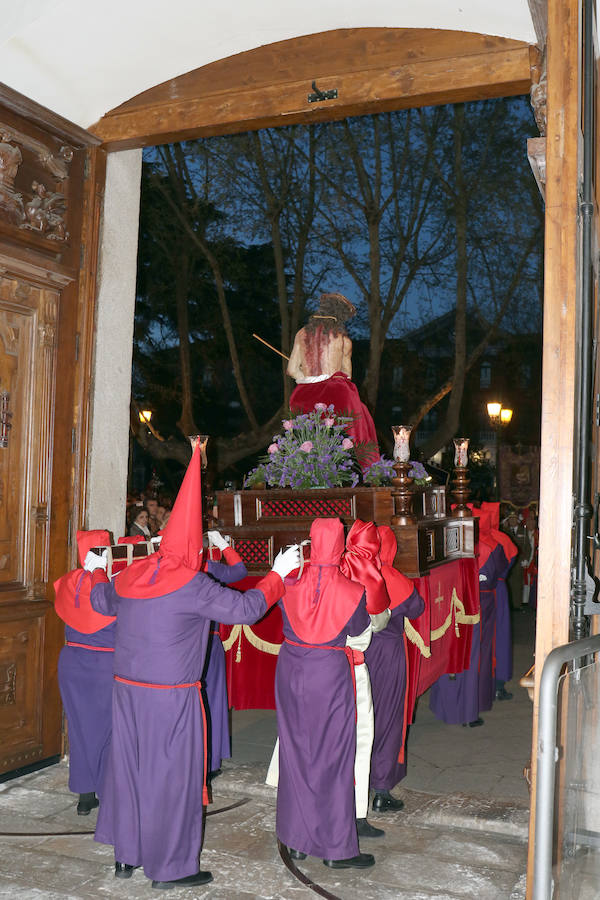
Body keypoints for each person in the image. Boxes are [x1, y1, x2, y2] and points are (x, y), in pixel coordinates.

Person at [91, 442, 300, 889]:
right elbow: (247, 609)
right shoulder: (192, 583)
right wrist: (278, 575)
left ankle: (127, 854)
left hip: (126, 691)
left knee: (129, 770)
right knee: (173, 780)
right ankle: (171, 868)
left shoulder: (131, 574)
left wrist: (95, 570)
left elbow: (99, 600)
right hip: (171, 698)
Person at [275, 517, 375, 869]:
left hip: (290, 669)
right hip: (328, 675)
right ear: (339, 545)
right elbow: (360, 627)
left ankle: (298, 838)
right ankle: (336, 848)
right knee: (333, 757)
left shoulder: (289, 583)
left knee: (296, 751)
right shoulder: (353, 590)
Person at [53, 529, 116, 815]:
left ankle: (85, 795)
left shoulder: (68, 581)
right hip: (105, 665)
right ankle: (105, 790)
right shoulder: (111, 586)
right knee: (106, 732)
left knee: (79, 729)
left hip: (72, 663)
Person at [368, 526, 425, 811]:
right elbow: (416, 608)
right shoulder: (392, 577)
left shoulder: (348, 572)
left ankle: (354, 784)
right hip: (387, 655)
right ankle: (381, 789)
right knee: (387, 718)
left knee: (356, 719)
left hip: (350, 655)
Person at [287, 293, 379, 467]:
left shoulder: (301, 334)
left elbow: (292, 370)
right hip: (335, 396)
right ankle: (369, 470)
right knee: (363, 417)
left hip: (303, 398)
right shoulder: (344, 341)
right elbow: (347, 376)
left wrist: (308, 378)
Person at [201, 529, 248, 775]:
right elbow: (240, 571)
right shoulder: (206, 566)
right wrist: (223, 544)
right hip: (208, 643)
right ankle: (210, 762)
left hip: (175, 646)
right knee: (212, 700)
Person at [502, 510, 531, 610]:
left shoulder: (523, 531)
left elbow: (528, 547)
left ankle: (517, 604)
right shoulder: (505, 531)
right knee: (508, 582)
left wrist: (526, 559)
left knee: (518, 583)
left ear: (517, 520)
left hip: (519, 560)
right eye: (510, 519)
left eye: (514, 519)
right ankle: (509, 605)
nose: (512, 521)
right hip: (508, 561)